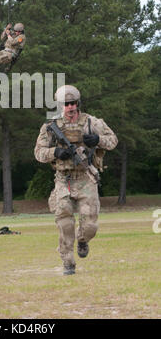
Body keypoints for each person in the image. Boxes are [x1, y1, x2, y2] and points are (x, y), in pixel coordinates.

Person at [34, 85, 118, 275]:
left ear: (78, 103)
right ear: (60, 106)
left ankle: (82, 240)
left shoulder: (91, 122)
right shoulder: (50, 127)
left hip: (86, 178)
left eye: (73, 103)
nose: (70, 107)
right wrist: (55, 152)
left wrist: (97, 140)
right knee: (64, 222)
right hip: (63, 179)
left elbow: (113, 141)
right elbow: (38, 153)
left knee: (90, 226)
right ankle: (68, 262)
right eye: (66, 104)